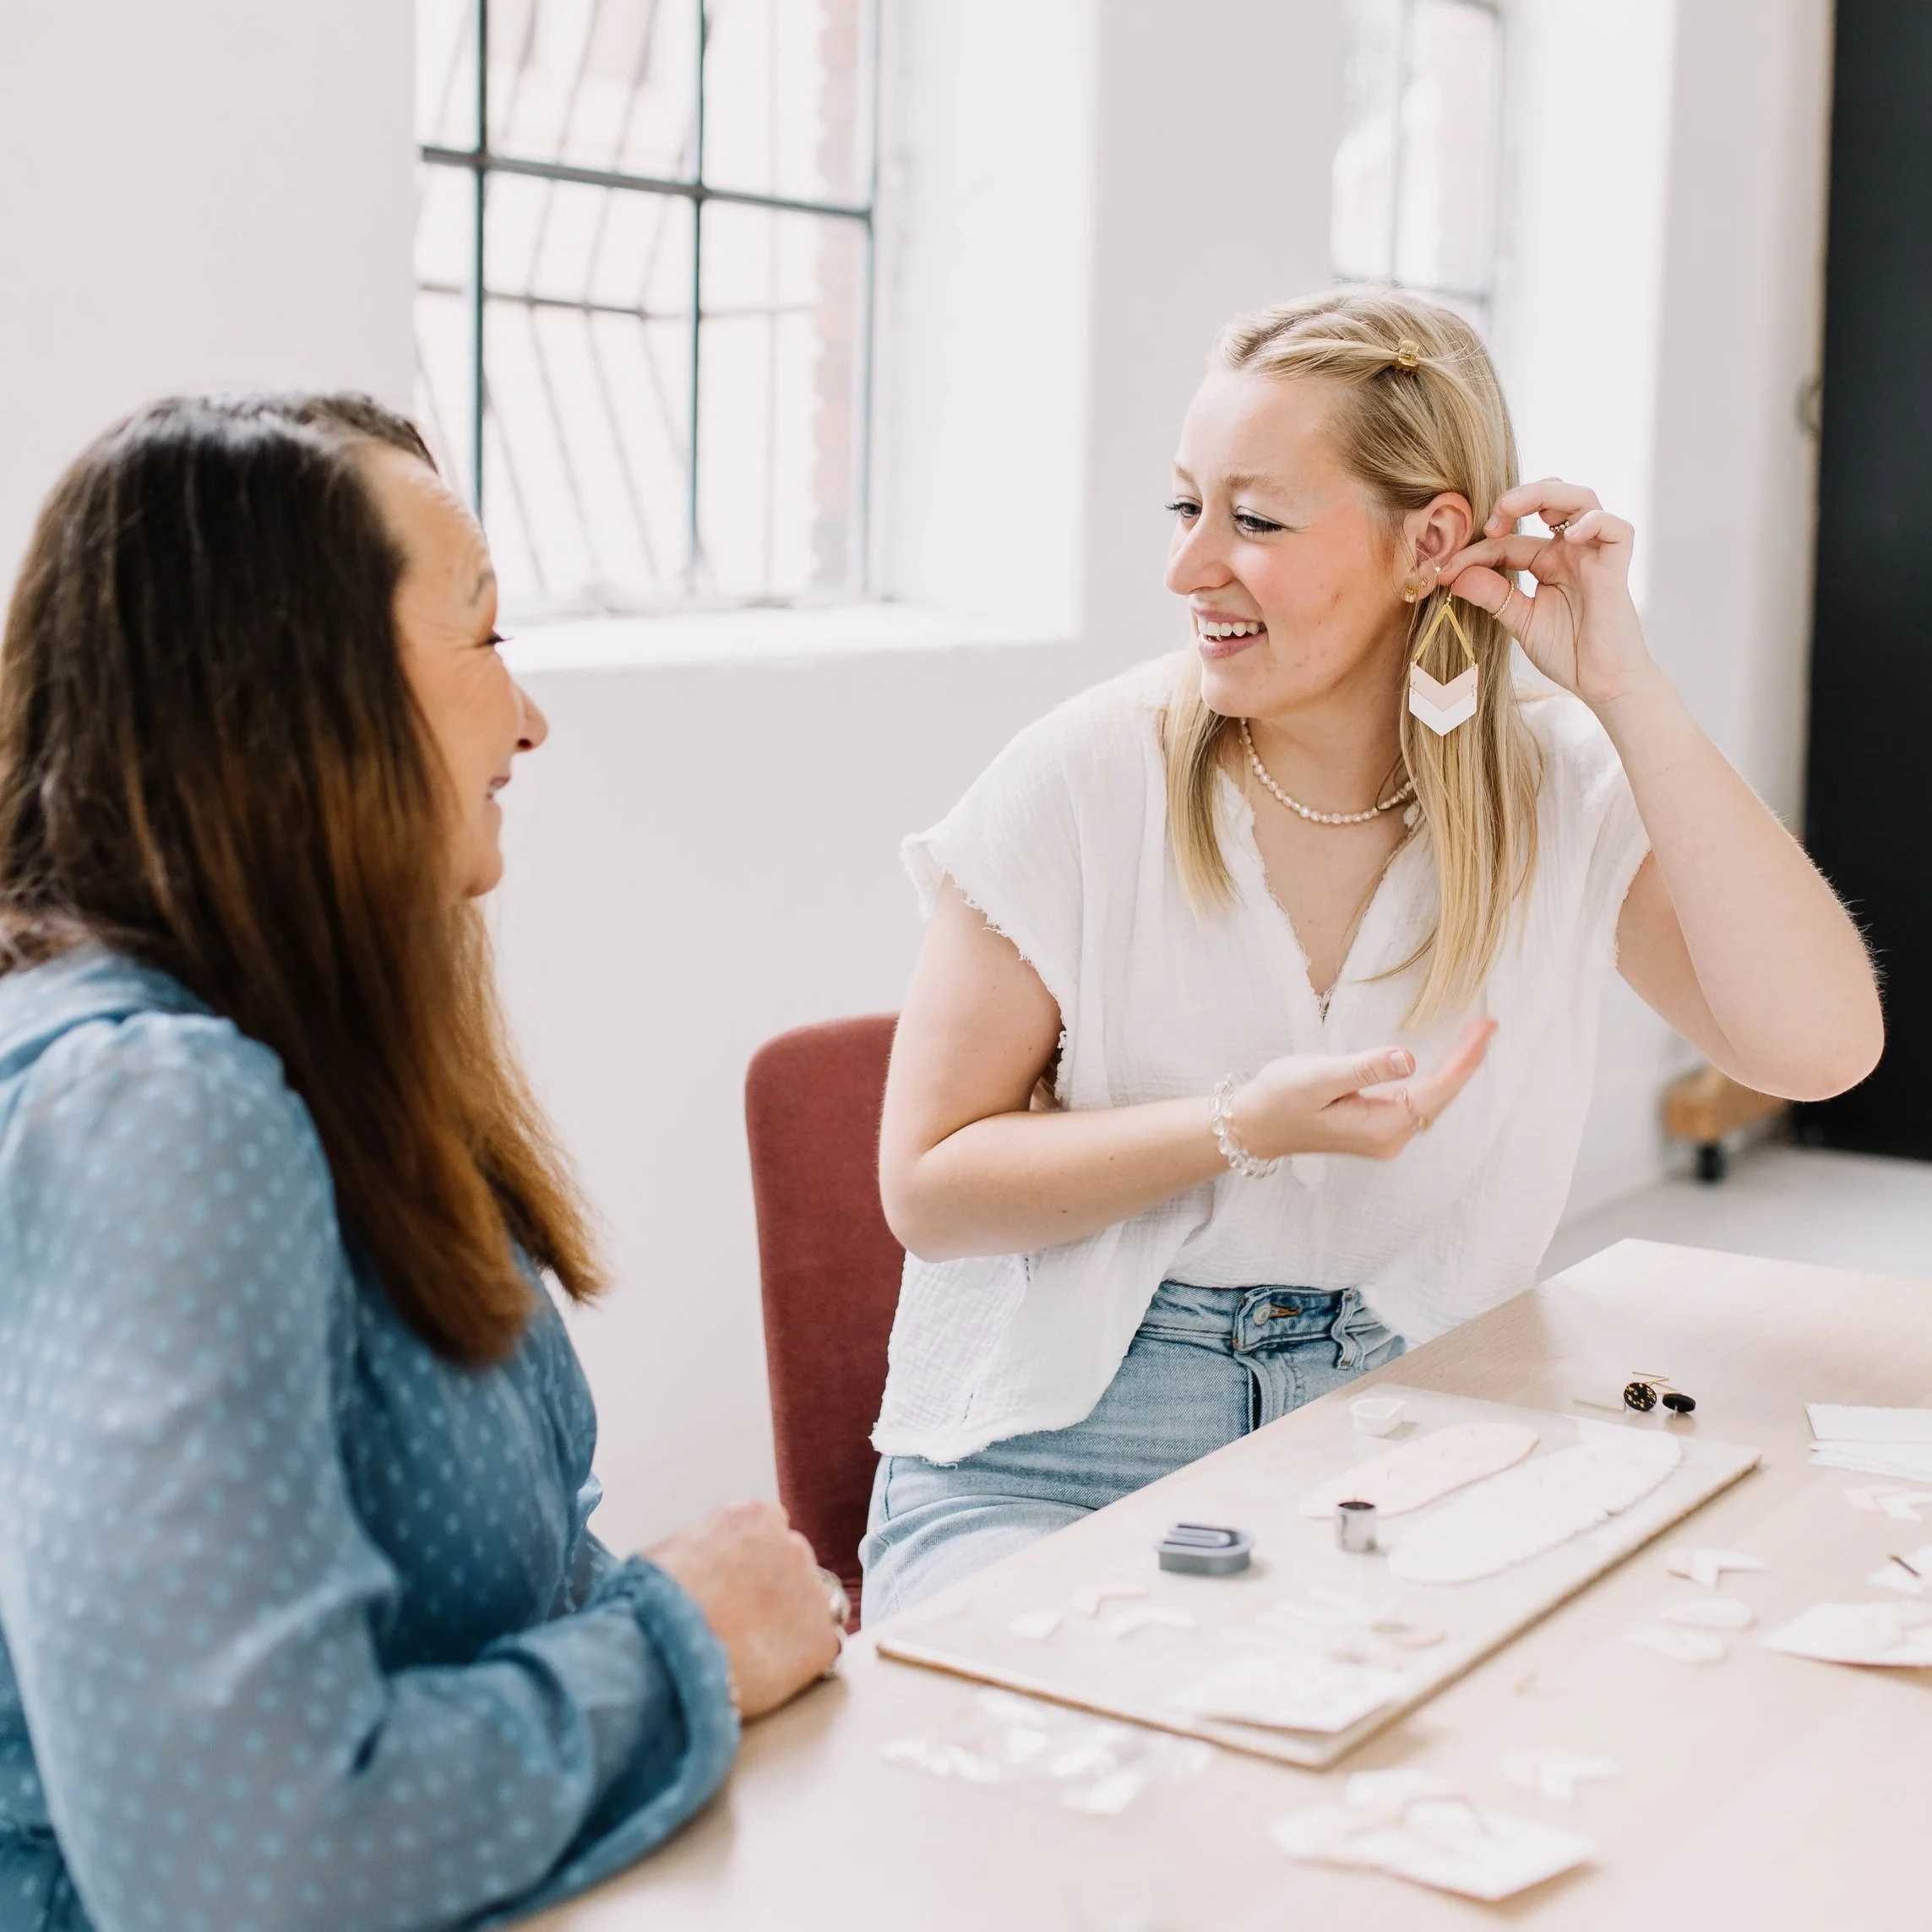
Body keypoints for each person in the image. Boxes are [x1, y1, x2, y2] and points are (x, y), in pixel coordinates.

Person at [861, 289, 1883, 1616]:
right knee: (1094, 1713)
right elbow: (929, 1189)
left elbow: (1817, 1050)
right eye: (1186, 507)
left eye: (1255, 521)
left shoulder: (1557, 786)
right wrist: (1236, 1125)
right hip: (1064, 1444)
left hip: (1408, 1422)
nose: (1188, 568)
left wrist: (1626, 690)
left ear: (1430, 543)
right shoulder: (1082, 775)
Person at [0, 394, 841, 1932]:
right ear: (285, 695)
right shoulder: (156, 1119)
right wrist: (686, 1644)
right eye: (484, 636)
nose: (528, 719)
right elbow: (236, 1866)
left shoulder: (301, 1067)